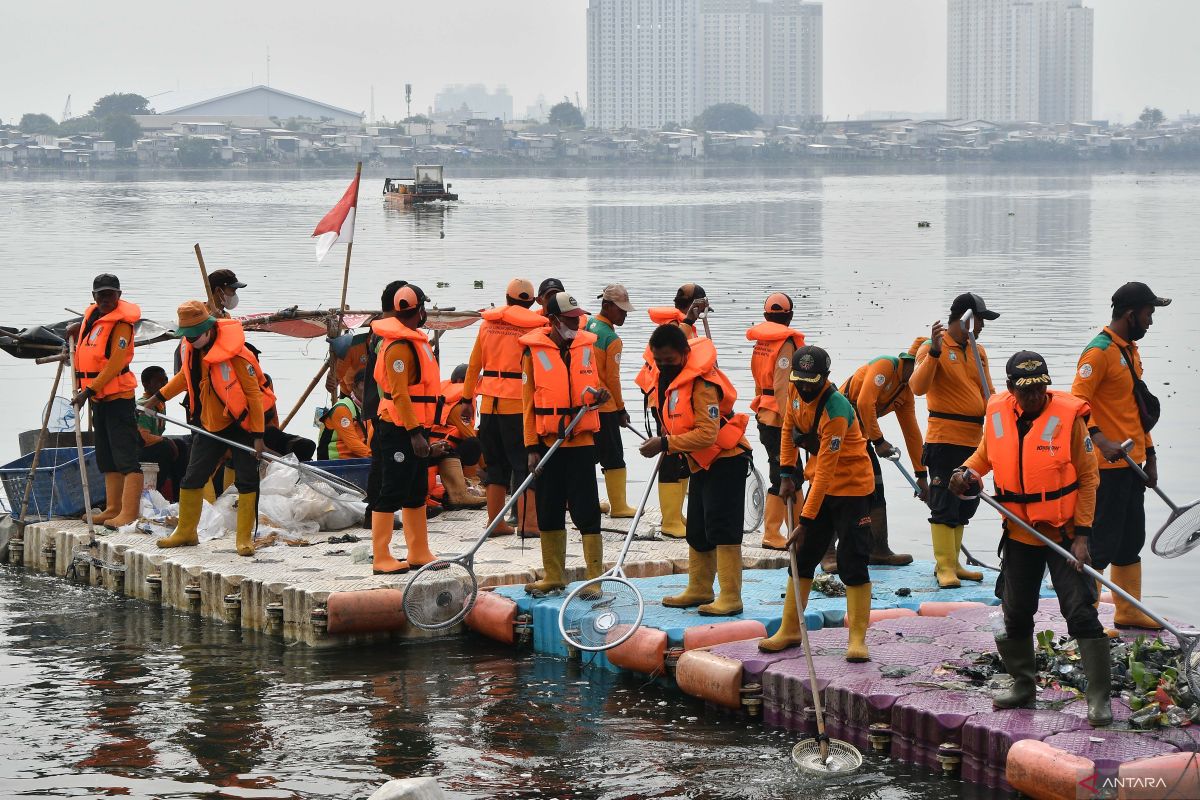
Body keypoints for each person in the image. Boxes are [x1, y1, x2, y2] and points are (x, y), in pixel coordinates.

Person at [949, 352, 1111, 726]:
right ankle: (1023, 684)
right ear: (1010, 390)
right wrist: (966, 471)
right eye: (1026, 390)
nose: (1035, 395)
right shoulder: (998, 414)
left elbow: (1089, 479)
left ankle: (1098, 698)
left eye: (1040, 387)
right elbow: (984, 456)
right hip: (1020, 532)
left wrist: (1083, 536)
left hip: (1064, 533)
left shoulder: (1069, 421)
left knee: (1081, 612)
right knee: (1016, 611)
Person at [759, 346, 875, 661]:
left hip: (850, 489)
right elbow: (787, 428)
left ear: (824, 377)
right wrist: (786, 473)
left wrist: (804, 522)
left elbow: (826, 471)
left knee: (853, 562)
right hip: (820, 487)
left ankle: (857, 638)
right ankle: (790, 629)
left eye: (812, 381)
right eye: (801, 380)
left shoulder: (836, 409)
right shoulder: (795, 391)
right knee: (804, 556)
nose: (805, 387)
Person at [1071, 282, 1171, 630]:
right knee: (1100, 542)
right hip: (1105, 467)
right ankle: (1089, 614)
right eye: (1148, 314)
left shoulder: (1129, 351)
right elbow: (1076, 403)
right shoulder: (1097, 352)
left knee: (1131, 539)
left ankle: (1128, 610)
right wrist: (1100, 439)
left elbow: (1136, 410)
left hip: (1133, 463)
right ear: (1131, 314)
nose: (1150, 321)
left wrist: (1152, 453)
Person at [639, 324, 751, 615]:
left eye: (670, 360)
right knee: (698, 528)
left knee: (722, 528)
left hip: (726, 459)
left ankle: (730, 597)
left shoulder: (703, 385)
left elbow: (707, 434)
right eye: (659, 360)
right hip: (699, 462)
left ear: (685, 353)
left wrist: (665, 444)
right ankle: (700, 588)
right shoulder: (668, 381)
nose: (664, 366)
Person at [149, 301, 269, 557]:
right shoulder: (192, 350)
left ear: (208, 329)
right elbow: (184, 377)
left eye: (194, 336)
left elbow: (254, 395)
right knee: (192, 477)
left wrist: (258, 436)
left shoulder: (239, 354)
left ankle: (244, 538)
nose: (190, 341)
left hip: (242, 425)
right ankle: (186, 532)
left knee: (247, 480)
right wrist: (159, 396)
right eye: (187, 337)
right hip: (209, 424)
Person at [520, 291, 609, 595]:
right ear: (554, 320)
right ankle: (554, 575)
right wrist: (531, 447)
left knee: (587, 510)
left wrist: (600, 398)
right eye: (570, 320)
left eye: (577, 318)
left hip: (581, 442)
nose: (576, 323)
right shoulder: (532, 353)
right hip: (548, 443)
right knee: (549, 508)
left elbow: (595, 387)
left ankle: (595, 577)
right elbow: (527, 404)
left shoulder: (587, 347)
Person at [910, 292, 998, 589]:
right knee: (944, 503)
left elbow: (989, 393)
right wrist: (934, 352)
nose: (982, 328)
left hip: (975, 438)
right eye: (980, 321)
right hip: (944, 437)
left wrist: (1003, 426)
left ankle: (956, 563)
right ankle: (944, 566)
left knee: (964, 504)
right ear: (966, 320)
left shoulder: (978, 351)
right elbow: (916, 387)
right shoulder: (931, 346)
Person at [463, 278, 547, 536]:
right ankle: (528, 523)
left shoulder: (488, 324)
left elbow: (474, 364)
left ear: (507, 299)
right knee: (524, 464)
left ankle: (495, 522)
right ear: (532, 302)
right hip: (517, 404)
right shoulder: (534, 327)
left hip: (488, 403)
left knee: (495, 465)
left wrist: (467, 399)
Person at [367, 283, 441, 574]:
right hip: (398, 429)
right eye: (423, 307)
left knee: (416, 490)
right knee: (392, 490)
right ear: (418, 310)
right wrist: (414, 434)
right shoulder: (398, 347)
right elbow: (399, 394)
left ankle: (418, 551)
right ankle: (381, 556)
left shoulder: (413, 341)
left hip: (414, 426)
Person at [839, 347, 927, 567]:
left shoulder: (905, 393)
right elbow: (863, 402)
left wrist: (921, 474)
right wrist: (879, 441)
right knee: (835, 488)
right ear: (911, 363)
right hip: (838, 430)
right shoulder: (885, 367)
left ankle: (879, 549)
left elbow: (912, 433)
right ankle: (828, 552)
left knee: (876, 487)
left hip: (861, 436)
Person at [634, 283, 709, 538]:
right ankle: (669, 520)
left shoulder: (683, 325)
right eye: (700, 304)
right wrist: (690, 318)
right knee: (669, 454)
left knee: (681, 455)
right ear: (691, 304)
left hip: (679, 399)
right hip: (663, 400)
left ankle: (677, 514)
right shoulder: (671, 327)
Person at [70, 274, 144, 529]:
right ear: (93, 296)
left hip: (118, 398)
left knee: (125, 456)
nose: (105, 299)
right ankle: (113, 508)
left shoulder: (122, 325)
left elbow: (115, 364)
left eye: (110, 294)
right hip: (98, 399)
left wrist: (87, 392)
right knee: (106, 455)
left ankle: (129, 512)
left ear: (119, 295)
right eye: (100, 294)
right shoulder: (92, 317)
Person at [745, 292, 805, 550]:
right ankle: (772, 533)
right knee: (783, 475)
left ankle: (797, 530)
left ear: (766, 316)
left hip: (764, 414)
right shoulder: (785, 343)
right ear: (789, 316)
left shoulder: (762, 342)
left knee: (794, 474)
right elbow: (782, 387)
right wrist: (793, 422)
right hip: (779, 419)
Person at [587, 284, 637, 518]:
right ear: (606, 306)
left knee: (588, 455)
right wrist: (621, 409)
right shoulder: (612, 338)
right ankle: (619, 507)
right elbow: (612, 378)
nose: (624, 315)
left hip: (586, 404)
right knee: (614, 456)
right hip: (606, 406)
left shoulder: (587, 325)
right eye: (621, 310)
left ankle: (589, 501)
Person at [427, 363, 486, 509]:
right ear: (461, 382)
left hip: (433, 446)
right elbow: (471, 438)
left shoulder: (443, 398)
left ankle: (465, 485)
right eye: (474, 381)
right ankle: (467, 485)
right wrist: (487, 468)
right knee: (473, 444)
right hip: (441, 451)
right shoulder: (459, 407)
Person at [136, 366, 188, 500]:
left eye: (166, 380)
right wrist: (165, 441)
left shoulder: (160, 405)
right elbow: (143, 438)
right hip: (136, 452)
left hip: (153, 448)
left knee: (181, 445)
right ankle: (155, 494)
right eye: (159, 382)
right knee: (166, 447)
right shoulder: (143, 406)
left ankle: (179, 496)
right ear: (146, 385)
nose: (165, 385)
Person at [319, 369, 372, 460]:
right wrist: (375, 458)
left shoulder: (371, 408)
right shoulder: (342, 408)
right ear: (354, 387)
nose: (369, 389)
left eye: (372, 386)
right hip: (334, 462)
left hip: (359, 459)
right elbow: (353, 444)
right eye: (364, 385)